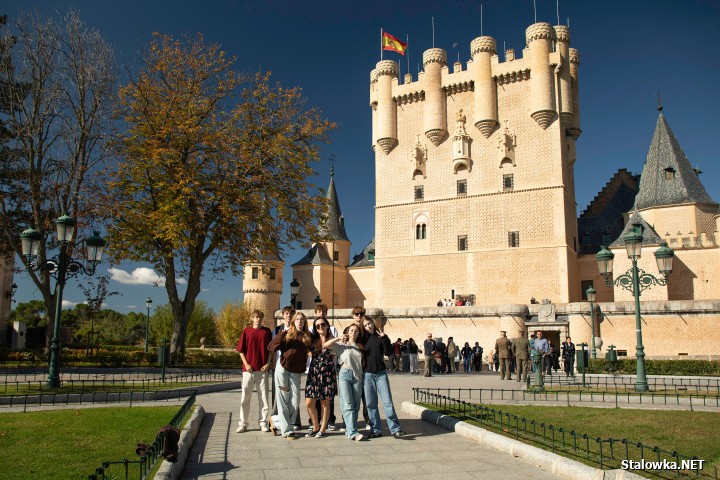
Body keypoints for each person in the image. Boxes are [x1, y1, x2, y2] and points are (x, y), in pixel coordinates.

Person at [267, 312, 312, 439]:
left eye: (302, 320)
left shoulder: (307, 336)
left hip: (296, 372)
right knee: (283, 399)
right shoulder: (286, 334)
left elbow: (318, 344)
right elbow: (271, 346)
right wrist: (281, 335)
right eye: (297, 319)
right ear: (293, 321)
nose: (299, 321)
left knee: (295, 400)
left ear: (304, 322)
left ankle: (277, 421)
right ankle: (287, 430)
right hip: (283, 370)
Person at [362, 316, 406, 439]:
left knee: (387, 402)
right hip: (367, 374)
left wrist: (385, 338)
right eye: (365, 325)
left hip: (381, 373)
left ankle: (396, 429)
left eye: (369, 323)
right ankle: (376, 429)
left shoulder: (380, 337)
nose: (368, 326)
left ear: (373, 323)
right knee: (371, 403)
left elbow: (389, 352)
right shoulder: (363, 339)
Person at [324, 324, 365, 441]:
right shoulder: (341, 345)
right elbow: (325, 345)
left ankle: (349, 428)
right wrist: (338, 338)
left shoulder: (361, 346)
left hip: (358, 376)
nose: (353, 332)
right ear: (347, 331)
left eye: (356, 331)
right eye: (351, 330)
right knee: (347, 404)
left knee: (356, 405)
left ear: (358, 334)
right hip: (345, 374)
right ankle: (353, 432)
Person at [236, 310, 272, 433]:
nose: (258, 319)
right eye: (256, 317)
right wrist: (246, 365)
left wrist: (268, 363)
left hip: (262, 370)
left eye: (260, 317)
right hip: (248, 371)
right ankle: (243, 423)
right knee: (245, 398)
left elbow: (270, 350)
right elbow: (241, 350)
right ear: (252, 318)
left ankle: (263, 422)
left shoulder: (267, 332)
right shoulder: (246, 331)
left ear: (263, 319)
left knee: (264, 399)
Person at [304, 316, 337, 438]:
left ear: (327, 325)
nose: (320, 327)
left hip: (327, 374)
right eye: (317, 326)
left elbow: (330, 348)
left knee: (325, 402)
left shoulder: (332, 339)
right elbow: (306, 348)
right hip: (313, 373)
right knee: (309, 402)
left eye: (323, 325)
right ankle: (315, 426)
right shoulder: (313, 340)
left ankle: (322, 429)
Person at [311, 304, 338, 432]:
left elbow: (333, 348)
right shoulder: (313, 333)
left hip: (327, 370)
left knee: (327, 399)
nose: (321, 313)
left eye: (323, 311)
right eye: (319, 311)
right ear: (316, 313)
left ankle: (328, 421)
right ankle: (315, 421)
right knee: (314, 399)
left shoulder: (332, 330)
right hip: (315, 370)